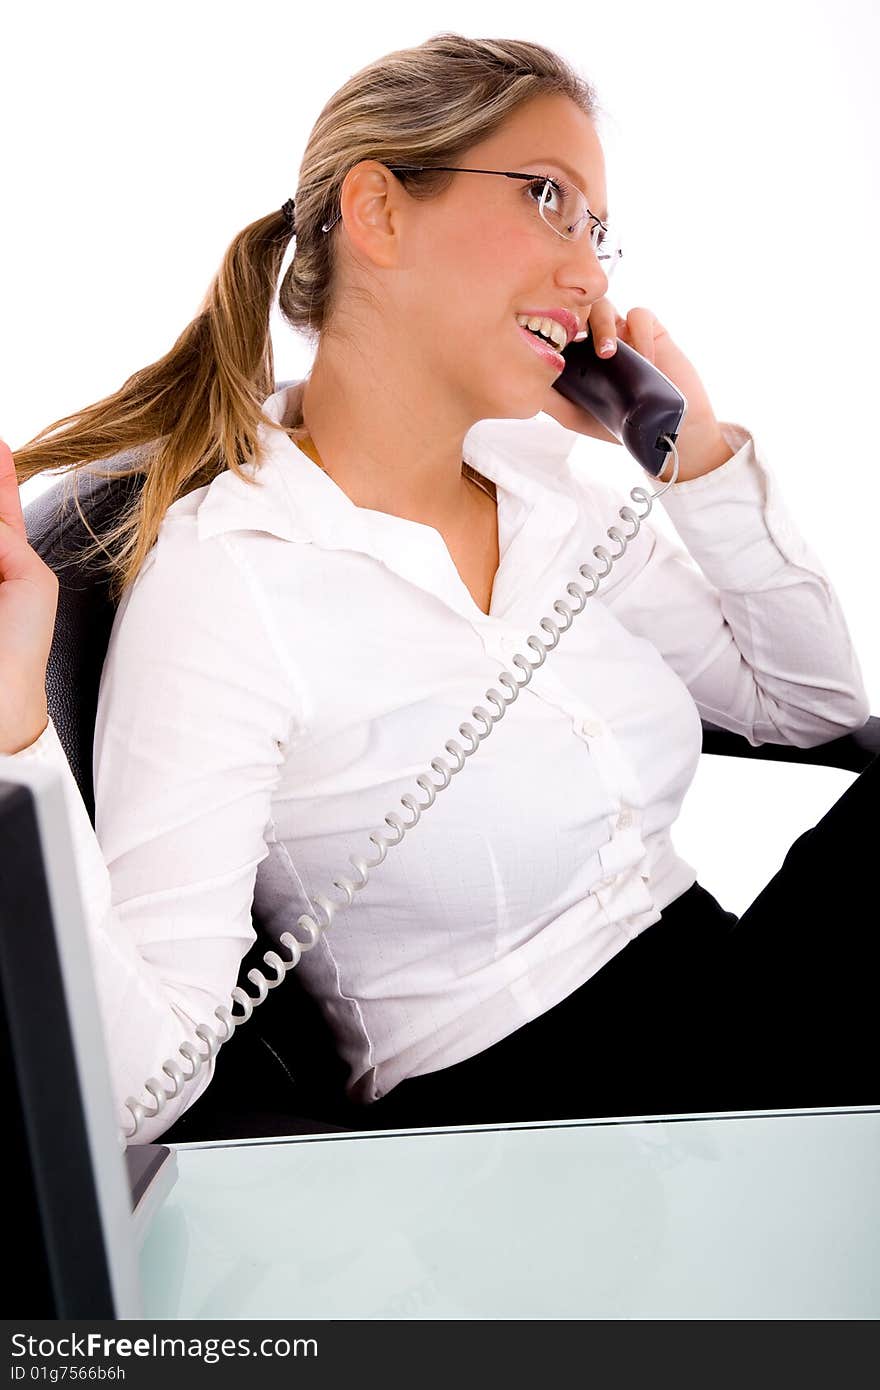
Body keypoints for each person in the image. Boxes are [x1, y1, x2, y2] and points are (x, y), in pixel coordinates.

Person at [2, 33, 874, 1146]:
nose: (591, 273)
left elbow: (813, 710)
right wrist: (13, 728)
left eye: (595, 231)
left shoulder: (552, 483)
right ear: (378, 212)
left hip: (727, 1011)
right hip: (534, 1129)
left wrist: (691, 455)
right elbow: (140, 1086)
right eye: (549, 200)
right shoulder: (233, 582)